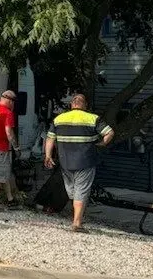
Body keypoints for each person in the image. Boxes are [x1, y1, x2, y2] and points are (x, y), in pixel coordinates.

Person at [44, 94, 114, 232]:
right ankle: (76, 224)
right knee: (81, 191)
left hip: (65, 162)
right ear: (85, 105)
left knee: (72, 191)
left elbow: (50, 138)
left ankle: (76, 217)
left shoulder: (59, 119)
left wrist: (48, 155)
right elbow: (110, 133)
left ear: (72, 104)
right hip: (85, 161)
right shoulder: (92, 118)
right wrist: (102, 143)